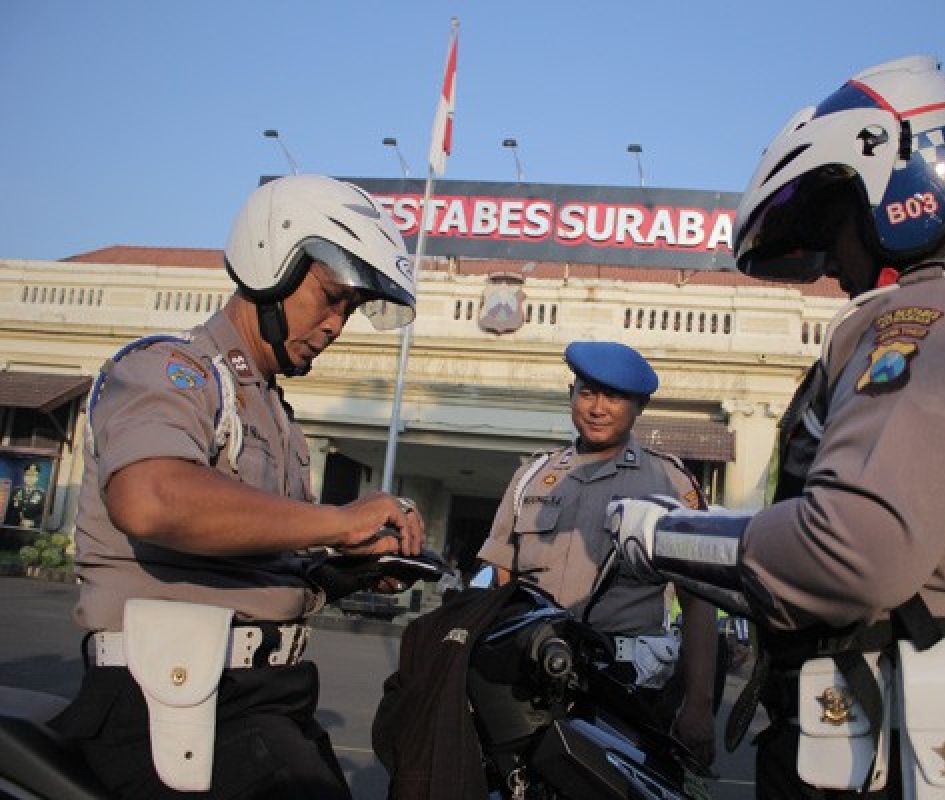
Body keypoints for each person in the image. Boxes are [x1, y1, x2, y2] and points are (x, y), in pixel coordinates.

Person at [607, 55, 945, 798]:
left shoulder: (941, 316)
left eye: (835, 225)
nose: (834, 266)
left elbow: (850, 551)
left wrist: (659, 536)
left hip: (897, 749)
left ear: (898, 183)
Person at [50, 174, 427, 800]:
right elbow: (151, 498)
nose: (337, 324)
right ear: (270, 262)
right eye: (331, 297)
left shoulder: (273, 414)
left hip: (259, 698)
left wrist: (347, 567)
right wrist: (340, 519)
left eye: (351, 311)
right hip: (171, 697)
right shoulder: (174, 370)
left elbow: (258, 559)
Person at [477, 340, 718, 765]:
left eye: (614, 396)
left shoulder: (671, 485)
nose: (597, 408)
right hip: (533, 676)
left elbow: (697, 604)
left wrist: (698, 706)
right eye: (587, 392)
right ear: (571, 394)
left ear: (639, 406)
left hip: (627, 685)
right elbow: (502, 583)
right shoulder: (532, 477)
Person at [8, 462, 46, 528]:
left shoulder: (41, 494)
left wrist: (32, 522)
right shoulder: (15, 491)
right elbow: (8, 510)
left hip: (30, 531)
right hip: (12, 528)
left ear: (37, 478)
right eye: (28, 475)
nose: (30, 478)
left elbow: (43, 514)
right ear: (24, 477)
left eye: (33, 476)